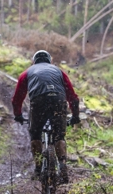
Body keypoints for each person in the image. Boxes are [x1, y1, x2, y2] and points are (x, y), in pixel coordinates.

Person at [11, 50, 80, 183]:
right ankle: (62, 165)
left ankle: (38, 168)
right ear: (50, 61)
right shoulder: (59, 71)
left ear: (34, 61)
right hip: (58, 101)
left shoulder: (27, 72)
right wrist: (75, 116)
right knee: (59, 135)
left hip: (39, 101)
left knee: (35, 134)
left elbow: (17, 99)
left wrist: (18, 115)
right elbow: (72, 96)